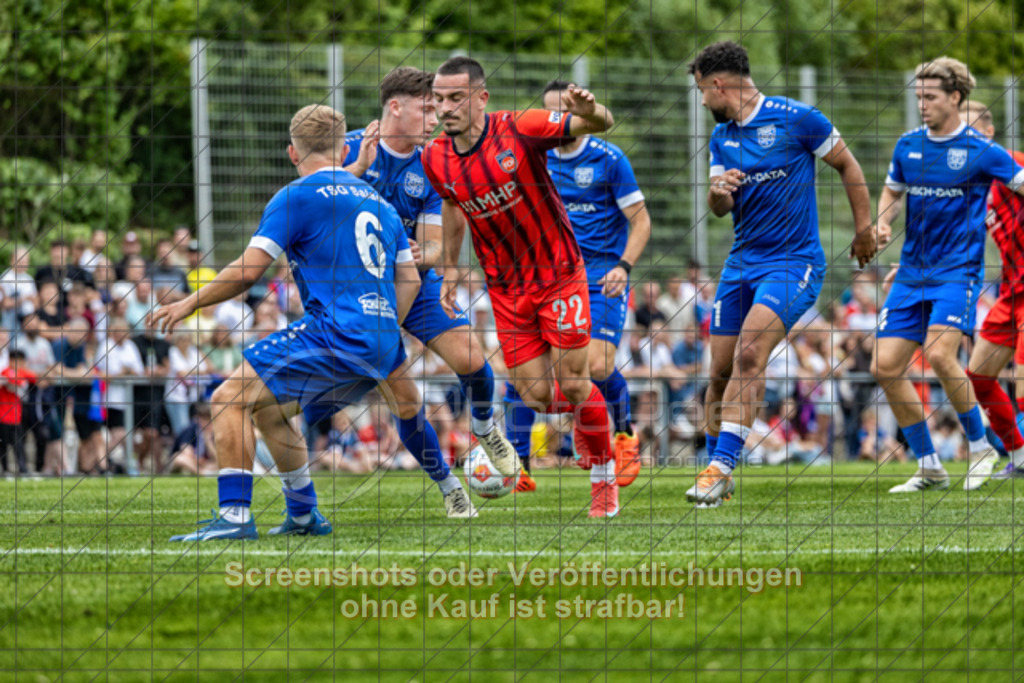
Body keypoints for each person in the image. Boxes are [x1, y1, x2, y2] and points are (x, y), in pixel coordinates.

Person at [153, 102, 465, 541]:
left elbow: (248, 271)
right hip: (382, 335)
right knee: (271, 412)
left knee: (227, 400)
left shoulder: (295, 196)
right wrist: (382, 324)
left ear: (292, 153)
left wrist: (188, 303)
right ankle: (303, 515)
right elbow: (410, 278)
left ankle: (235, 518)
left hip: (335, 331)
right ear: (343, 150)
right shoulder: (381, 203)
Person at [421, 56, 621, 517]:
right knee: (533, 395)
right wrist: (451, 268)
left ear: (481, 98)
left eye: (455, 98)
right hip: (506, 290)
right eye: (438, 100)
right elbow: (452, 207)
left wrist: (589, 110)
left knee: (573, 382)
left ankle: (603, 479)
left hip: (558, 274)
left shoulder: (520, 127)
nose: (445, 108)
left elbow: (603, 123)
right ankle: (592, 412)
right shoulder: (435, 157)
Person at [687, 41, 875, 506]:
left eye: (701, 92)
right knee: (719, 373)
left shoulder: (798, 118)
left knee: (751, 354)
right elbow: (719, 208)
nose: (702, 102)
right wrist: (717, 191)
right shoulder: (721, 138)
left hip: (795, 263)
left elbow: (848, 165)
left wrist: (864, 229)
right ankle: (718, 471)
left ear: (718, 84)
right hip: (741, 262)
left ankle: (719, 468)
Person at [343, 66, 514, 502]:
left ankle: (482, 427)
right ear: (394, 108)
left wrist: (426, 254)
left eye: (439, 106)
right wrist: (357, 171)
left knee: (474, 359)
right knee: (405, 400)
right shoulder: (348, 148)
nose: (436, 116)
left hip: (416, 284)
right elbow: (314, 213)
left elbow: (435, 243)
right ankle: (450, 488)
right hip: (359, 294)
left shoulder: (432, 160)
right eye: (426, 108)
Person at [873, 57, 1024, 493]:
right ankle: (929, 465)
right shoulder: (907, 146)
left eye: (931, 97)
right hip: (911, 273)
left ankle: (981, 448)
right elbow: (891, 191)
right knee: (884, 367)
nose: (922, 104)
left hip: (958, 272)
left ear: (955, 97)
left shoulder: (982, 150)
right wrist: (884, 222)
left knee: (941, 355)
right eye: (918, 97)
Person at [502, 78, 652, 492]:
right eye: (550, 115)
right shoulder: (530, 159)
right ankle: (517, 462)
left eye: (564, 114)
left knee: (599, 365)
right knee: (529, 376)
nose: (556, 123)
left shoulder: (609, 159)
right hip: (544, 276)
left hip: (599, 275)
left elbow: (641, 220)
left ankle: (624, 436)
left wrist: (623, 266)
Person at [957, 100, 1024, 485]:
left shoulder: (1012, 164)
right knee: (979, 377)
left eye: (970, 133)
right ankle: (1019, 452)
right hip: (1009, 294)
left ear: (989, 133)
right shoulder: (970, 187)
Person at [0, 350, 37, 474]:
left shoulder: (19, 373)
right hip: (3, 416)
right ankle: (5, 469)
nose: (19, 364)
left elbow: (31, 378)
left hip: (16, 417)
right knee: (3, 445)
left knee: (18, 445)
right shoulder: (6, 371)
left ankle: (23, 469)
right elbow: (12, 381)